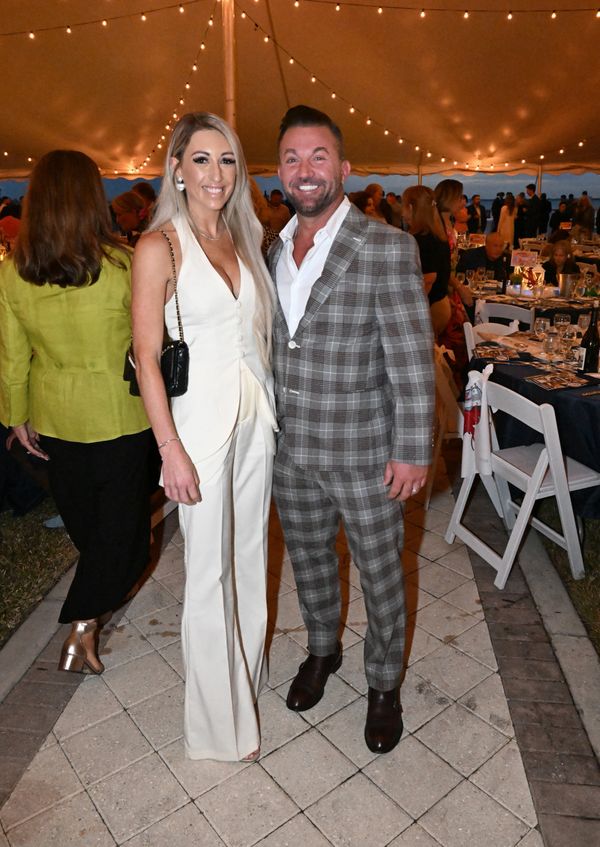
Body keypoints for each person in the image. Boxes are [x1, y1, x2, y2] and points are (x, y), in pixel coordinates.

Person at [269, 105, 434, 755]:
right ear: (279, 171)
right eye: (292, 158)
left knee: (380, 573)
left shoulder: (387, 246)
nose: (305, 169)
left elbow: (411, 357)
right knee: (309, 560)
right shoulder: (271, 248)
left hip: (366, 451)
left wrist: (412, 449)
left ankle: (384, 683)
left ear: (343, 167)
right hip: (291, 449)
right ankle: (322, 649)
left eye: (318, 156)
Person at [131, 112, 277, 762]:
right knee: (208, 576)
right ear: (177, 169)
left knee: (249, 559)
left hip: (255, 419)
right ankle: (218, 729)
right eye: (201, 159)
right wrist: (170, 450)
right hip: (197, 431)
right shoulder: (158, 247)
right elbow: (145, 356)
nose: (216, 173)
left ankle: (244, 681)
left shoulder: (244, 236)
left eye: (227, 160)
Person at [0, 150, 151, 674]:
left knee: (94, 531)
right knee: (123, 536)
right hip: (122, 414)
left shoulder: (12, 274)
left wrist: (16, 417)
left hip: (55, 416)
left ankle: (84, 624)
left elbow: (12, 358)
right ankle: (82, 624)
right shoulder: (124, 266)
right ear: (92, 199)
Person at [401, 184, 451, 336]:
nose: (402, 211)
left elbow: (428, 279)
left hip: (430, 308)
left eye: (403, 205)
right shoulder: (436, 235)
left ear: (411, 208)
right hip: (439, 303)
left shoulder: (422, 239)